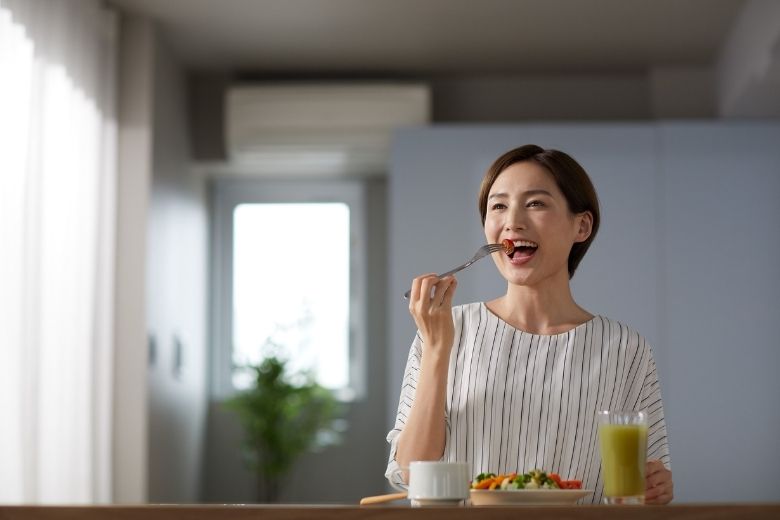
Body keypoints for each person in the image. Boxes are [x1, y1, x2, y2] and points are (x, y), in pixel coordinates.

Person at [385, 144, 673, 505]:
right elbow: (411, 474)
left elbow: (645, 478)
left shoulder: (626, 349)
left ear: (581, 225)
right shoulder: (444, 328)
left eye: (535, 203)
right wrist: (438, 348)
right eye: (499, 206)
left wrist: (656, 485)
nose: (513, 221)